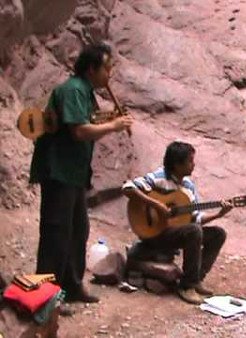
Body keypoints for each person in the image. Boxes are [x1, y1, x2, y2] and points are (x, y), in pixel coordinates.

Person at [30, 43, 133, 304]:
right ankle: (47, 298)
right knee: (56, 233)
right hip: (59, 171)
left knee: (78, 231)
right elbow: (79, 130)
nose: (109, 74)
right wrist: (114, 125)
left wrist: (109, 117)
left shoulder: (85, 92)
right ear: (91, 68)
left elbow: (90, 119)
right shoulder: (73, 89)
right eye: (107, 68)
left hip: (73, 174)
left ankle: (71, 286)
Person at [122, 141, 232, 304]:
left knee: (218, 234)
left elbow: (195, 219)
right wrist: (157, 205)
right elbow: (128, 188)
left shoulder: (188, 187)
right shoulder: (159, 177)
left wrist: (218, 214)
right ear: (177, 164)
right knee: (194, 231)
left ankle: (195, 279)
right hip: (153, 232)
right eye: (190, 161)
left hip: (175, 233)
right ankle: (186, 286)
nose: (193, 165)